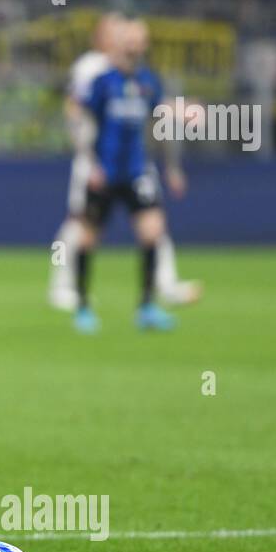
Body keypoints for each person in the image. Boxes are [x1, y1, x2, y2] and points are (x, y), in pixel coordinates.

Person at [73, 20, 184, 333]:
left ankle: (147, 306)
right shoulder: (102, 82)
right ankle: (83, 307)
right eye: (131, 41)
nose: (136, 47)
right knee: (88, 238)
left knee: (152, 232)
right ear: (119, 44)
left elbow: (160, 125)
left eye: (141, 41)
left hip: (136, 170)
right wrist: (89, 162)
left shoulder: (149, 82)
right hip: (104, 171)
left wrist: (171, 167)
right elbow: (82, 122)